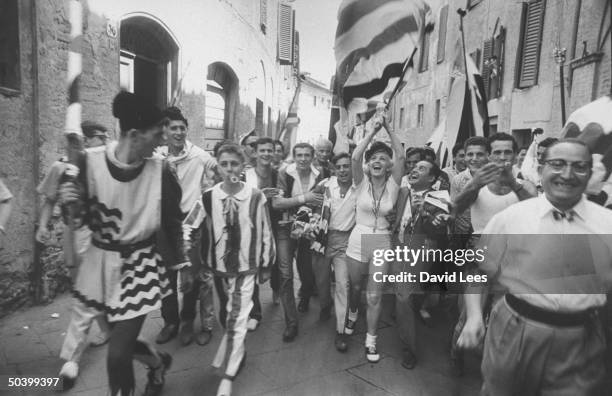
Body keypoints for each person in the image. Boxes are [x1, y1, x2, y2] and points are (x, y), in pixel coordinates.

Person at [58, 91, 194, 396]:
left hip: (140, 265)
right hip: (99, 263)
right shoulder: (88, 162)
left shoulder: (161, 170)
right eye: (157, 134)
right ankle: (158, 363)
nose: (161, 141)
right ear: (134, 134)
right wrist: (70, 201)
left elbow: (174, 221)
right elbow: (77, 218)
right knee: (125, 344)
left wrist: (183, 264)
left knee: (117, 354)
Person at [457, 139, 612, 395]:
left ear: (590, 173)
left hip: (579, 338)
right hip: (515, 329)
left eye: (579, 167)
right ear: (542, 169)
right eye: (558, 164)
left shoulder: (606, 225)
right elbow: (478, 271)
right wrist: (474, 317)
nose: (567, 174)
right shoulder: (512, 217)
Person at [36, 121, 111, 387]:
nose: (102, 142)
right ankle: (107, 329)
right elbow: (49, 200)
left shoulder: (101, 166)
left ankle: (72, 358)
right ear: (84, 141)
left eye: (104, 137)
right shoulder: (59, 168)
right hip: (71, 233)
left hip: (95, 234)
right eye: (98, 138)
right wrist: (44, 225)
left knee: (85, 293)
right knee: (84, 289)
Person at [199, 143, 274, 396]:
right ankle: (236, 351)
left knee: (237, 318)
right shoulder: (209, 196)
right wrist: (192, 257)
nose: (229, 168)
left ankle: (227, 376)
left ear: (243, 167)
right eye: (224, 164)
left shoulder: (255, 196)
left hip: (246, 267)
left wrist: (266, 264)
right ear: (218, 167)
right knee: (226, 317)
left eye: (234, 163)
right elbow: (192, 225)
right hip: (219, 268)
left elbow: (265, 232)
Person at [155, 106, 217, 347]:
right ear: (165, 131)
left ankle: (187, 321)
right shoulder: (157, 157)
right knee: (165, 277)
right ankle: (169, 321)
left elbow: (219, 169)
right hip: (164, 226)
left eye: (182, 128)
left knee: (189, 277)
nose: (179, 132)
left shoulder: (199, 155)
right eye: (174, 128)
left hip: (191, 224)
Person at [346, 114, 404, 363]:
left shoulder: (393, 184)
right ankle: (352, 310)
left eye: (383, 158)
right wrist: (372, 131)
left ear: (389, 165)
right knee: (356, 287)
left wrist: (389, 127)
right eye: (374, 159)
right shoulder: (360, 182)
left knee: (374, 295)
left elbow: (401, 154)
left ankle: (371, 340)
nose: (378, 161)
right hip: (358, 238)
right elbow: (355, 157)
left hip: (381, 242)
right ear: (369, 165)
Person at [392, 159, 450, 369]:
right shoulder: (403, 193)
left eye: (421, 169)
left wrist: (423, 212)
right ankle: (409, 337)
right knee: (403, 297)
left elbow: (438, 230)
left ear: (432, 178)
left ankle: (409, 348)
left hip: (422, 252)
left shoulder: (440, 198)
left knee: (405, 296)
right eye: (414, 167)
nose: (415, 170)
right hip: (398, 248)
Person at [272, 142, 325, 342]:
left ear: (312, 157)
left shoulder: (320, 174)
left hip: (308, 229)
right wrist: (305, 198)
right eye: (299, 155)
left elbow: (321, 201)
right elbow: (277, 203)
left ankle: (304, 295)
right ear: (294, 156)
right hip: (285, 227)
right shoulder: (284, 173)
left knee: (306, 271)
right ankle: (291, 323)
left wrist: (312, 217)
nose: (303, 159)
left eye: (306, 155)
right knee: (285, 274)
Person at [311, 152, 356, 352]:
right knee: (321, 281)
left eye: (347, 166)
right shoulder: (325, 185)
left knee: (342, 285)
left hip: (345, 241)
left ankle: (340, 330)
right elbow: (310, 205)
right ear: (334, 168)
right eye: (339, 167)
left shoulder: (360, 188)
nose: (343, 170)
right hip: (322, 238)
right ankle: (325, 305)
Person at [240, 137, 282, 329]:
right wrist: (260, 195)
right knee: (252, 268)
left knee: (275, 263)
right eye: (262, 150)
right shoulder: (244, 176)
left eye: (269, 150)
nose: (266, 154)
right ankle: (254, 312)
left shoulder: (278, 174)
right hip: (252, 226)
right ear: (255, 153)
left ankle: (276, 288)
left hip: (274, 223)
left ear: (274, 153)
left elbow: (282, 198)